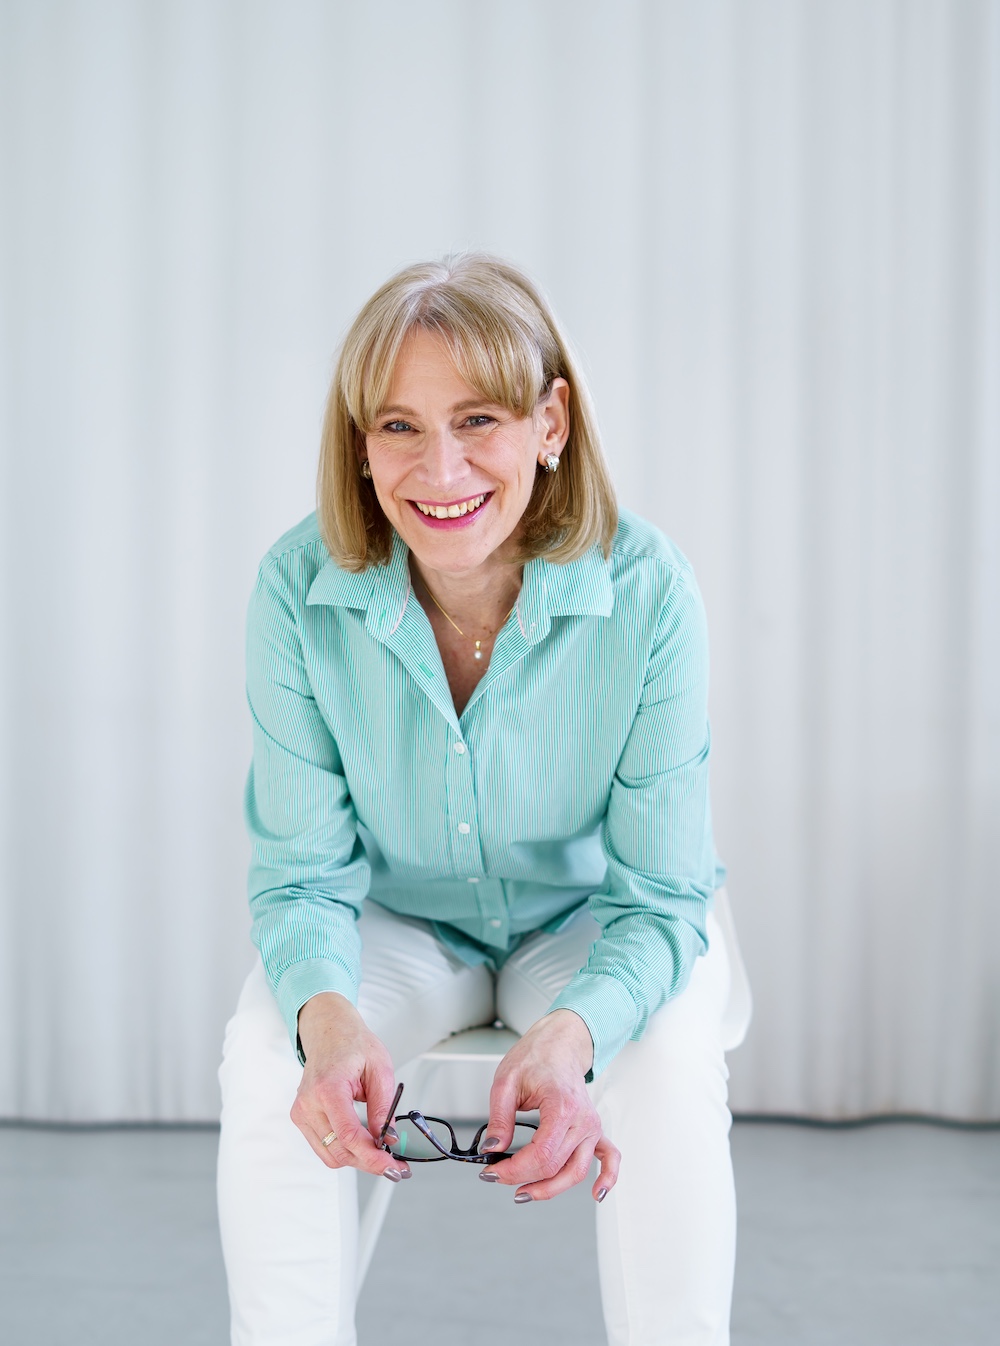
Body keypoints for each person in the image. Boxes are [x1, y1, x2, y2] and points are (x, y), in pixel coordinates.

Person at [217, 254, 751, 1346]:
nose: (440, 467)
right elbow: (303, 871)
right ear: (360, 444)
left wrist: (578, 1029)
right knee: (271, 1049)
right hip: (407, 919)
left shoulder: (649, 590)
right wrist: (325, 1015)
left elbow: (662, 894)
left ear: (550, 422)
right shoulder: (295, 588)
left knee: (664, 1055)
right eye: (399, 426)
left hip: (595, 921)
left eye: (477, 420)